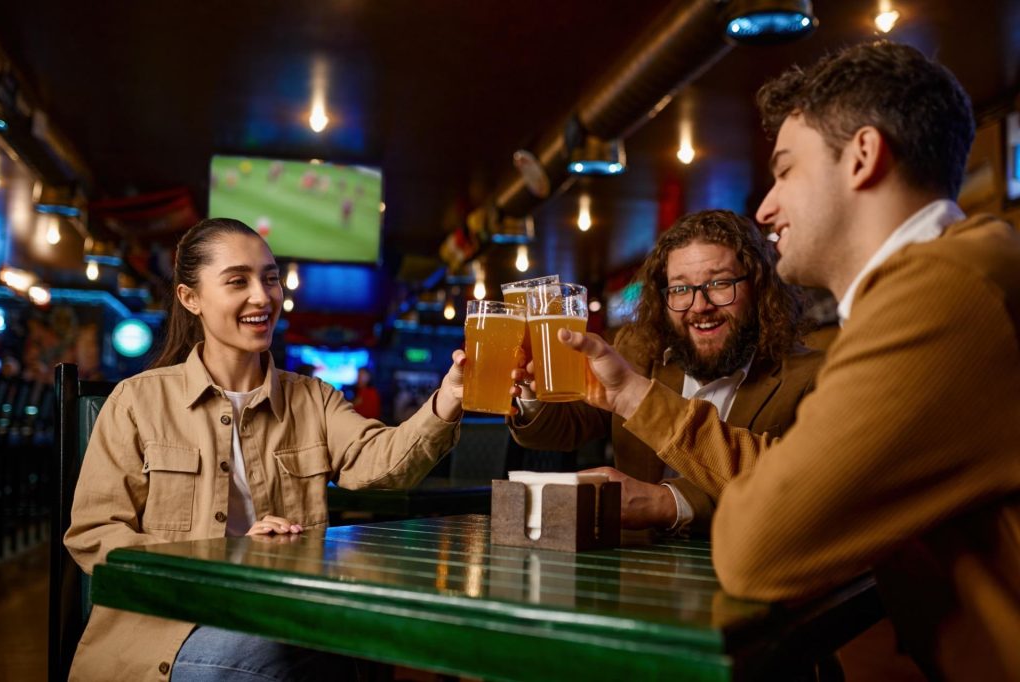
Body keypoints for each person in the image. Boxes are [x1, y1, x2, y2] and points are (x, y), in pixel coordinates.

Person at [550, 41, 1020, 680]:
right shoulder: (958, 270)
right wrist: (632, 396)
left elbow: (757, 547)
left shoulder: (939, 292)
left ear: (863, 157)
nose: (767, 207)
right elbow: (794, 474)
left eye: (786, 170)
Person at [64, 218, 470, 681]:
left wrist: (450, 396)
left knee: (354, 644)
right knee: (306, 656)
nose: (263, 296)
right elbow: (95, 535)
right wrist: (229, 556)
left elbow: (382, 463)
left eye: (271, 278)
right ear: (190, 298)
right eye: (238, 280)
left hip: (278, 616)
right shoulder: (137, 401)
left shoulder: (313, 398)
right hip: (162, 634)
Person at [509, 209, 823, 534]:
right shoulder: (639, 351)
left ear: (757, 286)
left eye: (719, 283)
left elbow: (799, 490)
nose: (699, 306)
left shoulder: (811, 377)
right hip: (637, 572)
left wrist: (665, 501)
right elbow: (566, 427)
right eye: (680, 289)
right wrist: (532, 394)